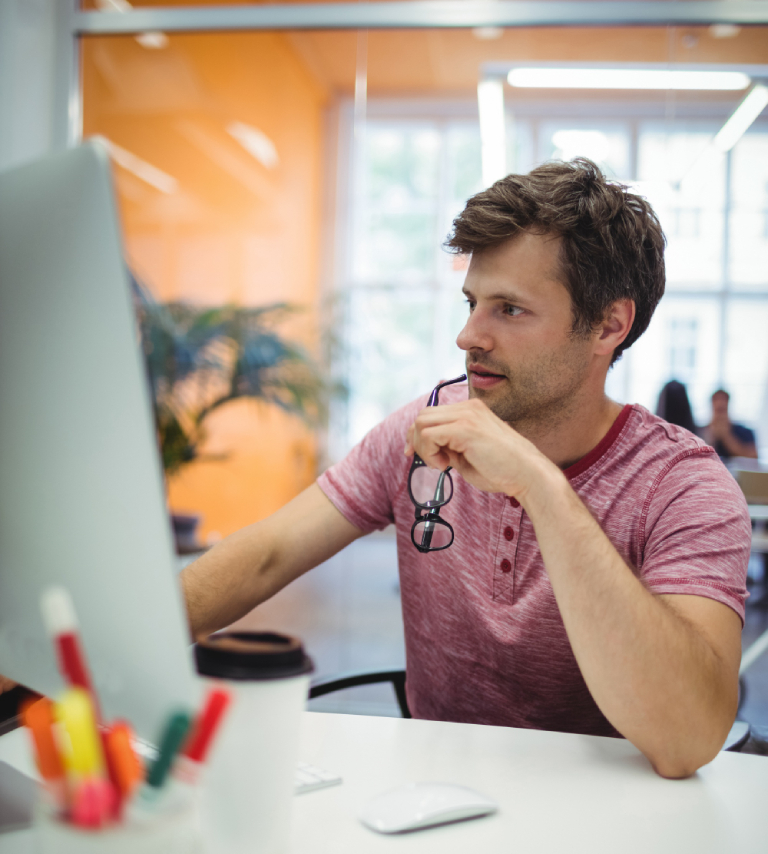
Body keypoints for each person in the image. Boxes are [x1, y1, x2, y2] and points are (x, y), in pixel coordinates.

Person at [2, 159, 743, 778]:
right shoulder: (421, 431)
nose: (468, 335)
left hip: (612, 809)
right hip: (431, 790)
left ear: (609, 325)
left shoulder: (684, 485)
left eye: (509, 310)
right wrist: (60, 653)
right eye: (471, 302)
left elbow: (687, 738)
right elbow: (262, 558)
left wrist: (542, 489)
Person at [703, 389, 758, 461]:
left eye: (723, 400)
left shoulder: (745, 432)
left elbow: (753, 458)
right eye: (716, 400)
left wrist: (726, 437)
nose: (720, 403)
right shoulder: (700, 432)